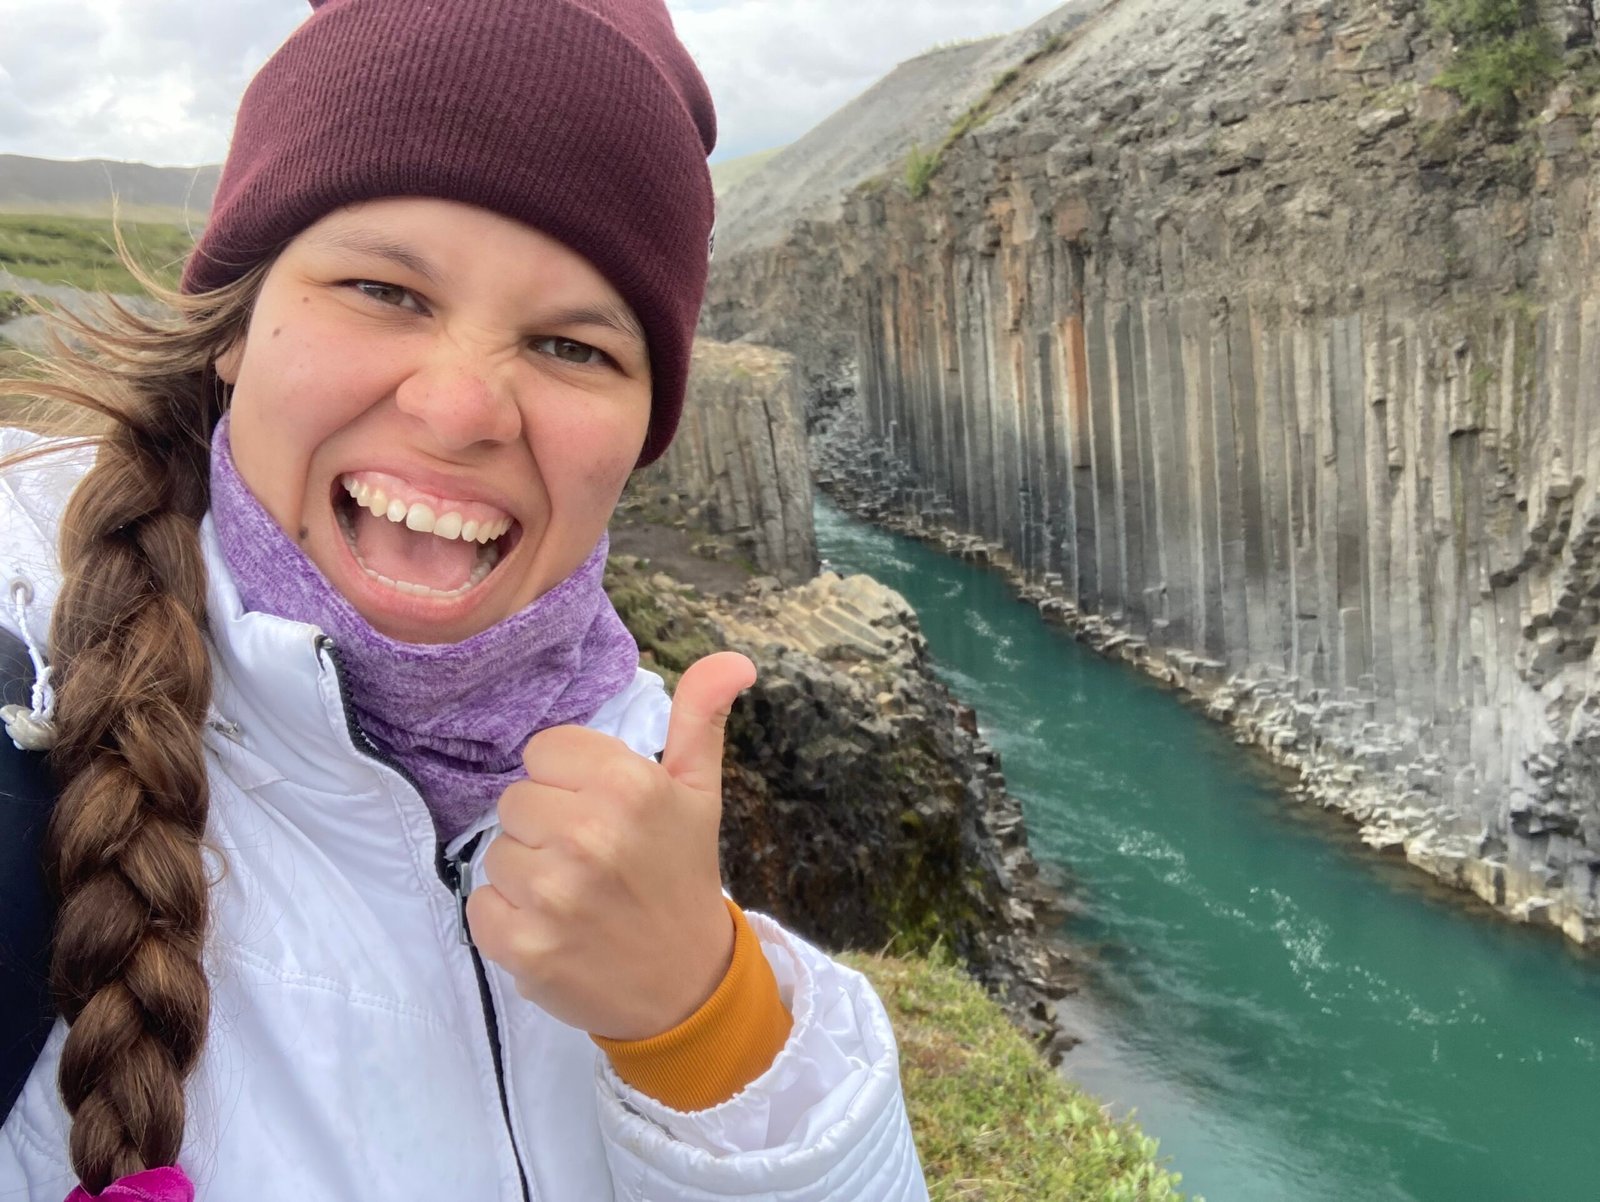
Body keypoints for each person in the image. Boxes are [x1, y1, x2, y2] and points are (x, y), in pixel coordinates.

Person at [0, 1, 928, 1198]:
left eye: (574, 347)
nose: (459, 408)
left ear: (643, 432)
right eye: (386, 289)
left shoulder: (635, 762)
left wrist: (704, 1019)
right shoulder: (25, 720)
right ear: (234, 324)